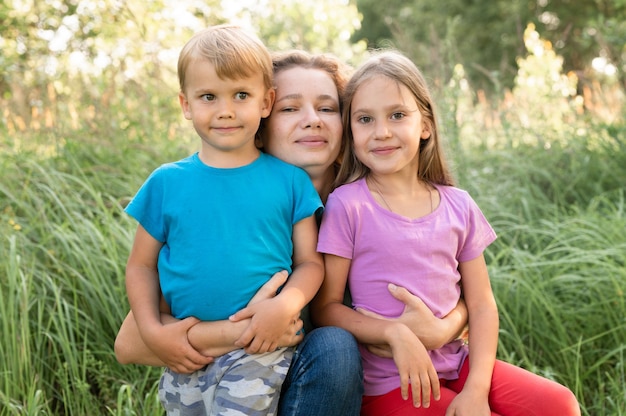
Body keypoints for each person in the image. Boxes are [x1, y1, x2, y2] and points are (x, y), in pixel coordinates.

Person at [115, 49, 470, 416]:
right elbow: (130, 345)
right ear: (262, 119)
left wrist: (446, 327)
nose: (311, 120)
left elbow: (459, 290)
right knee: (334, 345)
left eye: (327, 108)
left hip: (383, 387)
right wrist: (246, 328)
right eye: (290, 108)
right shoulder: (232, 213)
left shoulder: (372, 205)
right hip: (249, 389)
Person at [311, 50, 581, 416]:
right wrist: (393, 332)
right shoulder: (348, 205)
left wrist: (477, 390)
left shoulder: (458, 205)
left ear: (425, 125)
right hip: (393, 381)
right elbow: (326, 309)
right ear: (351, 129)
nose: (382, 132)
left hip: (458, 365)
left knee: (559, 404)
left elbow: (482, 304)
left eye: (397, 115)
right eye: (365, 119)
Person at [123, 25, 326, 415]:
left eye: (241, 95)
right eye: (208, 97)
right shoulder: (166, 183)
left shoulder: (289, 181)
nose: (226, 110)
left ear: (266, 102)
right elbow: (141, 265)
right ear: (185, 104)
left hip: (259, 350)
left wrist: (287, 305)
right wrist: (153, 332)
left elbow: (309, 263)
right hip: (186, 351)